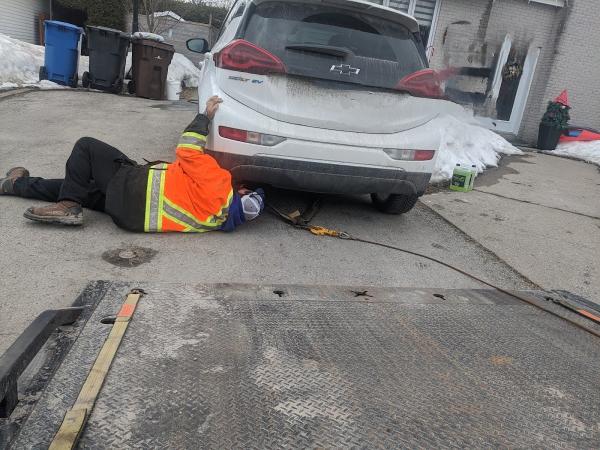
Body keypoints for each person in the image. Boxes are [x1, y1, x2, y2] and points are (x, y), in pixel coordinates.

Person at [0, 95, 264, 232]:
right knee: (74, 186)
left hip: (133, 187)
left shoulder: (220, 185)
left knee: (86, 147)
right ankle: (15, 184)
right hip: (129, 214)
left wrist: (205, 116)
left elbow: (187, 148)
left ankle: (68, 208)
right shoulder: (217, 221)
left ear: (241, 192)